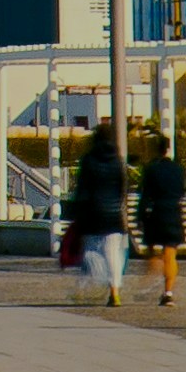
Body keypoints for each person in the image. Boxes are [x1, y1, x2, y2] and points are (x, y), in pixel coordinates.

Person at [66, 119, 129, 304]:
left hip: (92, 214)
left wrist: (76, 210)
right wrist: (118, 205)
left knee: (90, 251)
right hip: (113, 214)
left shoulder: (88, 160)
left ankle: (96, 278)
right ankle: (114, 291)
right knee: (112, 253)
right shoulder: (118, 161)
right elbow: (123, 187)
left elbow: (82, 189)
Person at [135, 130, 186, 308]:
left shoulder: (150, 169)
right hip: (174, 211)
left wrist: (140, 216)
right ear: (168, 149)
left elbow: (145, 195)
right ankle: (168, 292)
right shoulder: (178, 169)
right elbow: (183, 191)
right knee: (170, 254)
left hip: (156, 212)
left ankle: (151, 274)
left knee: (152, 249)